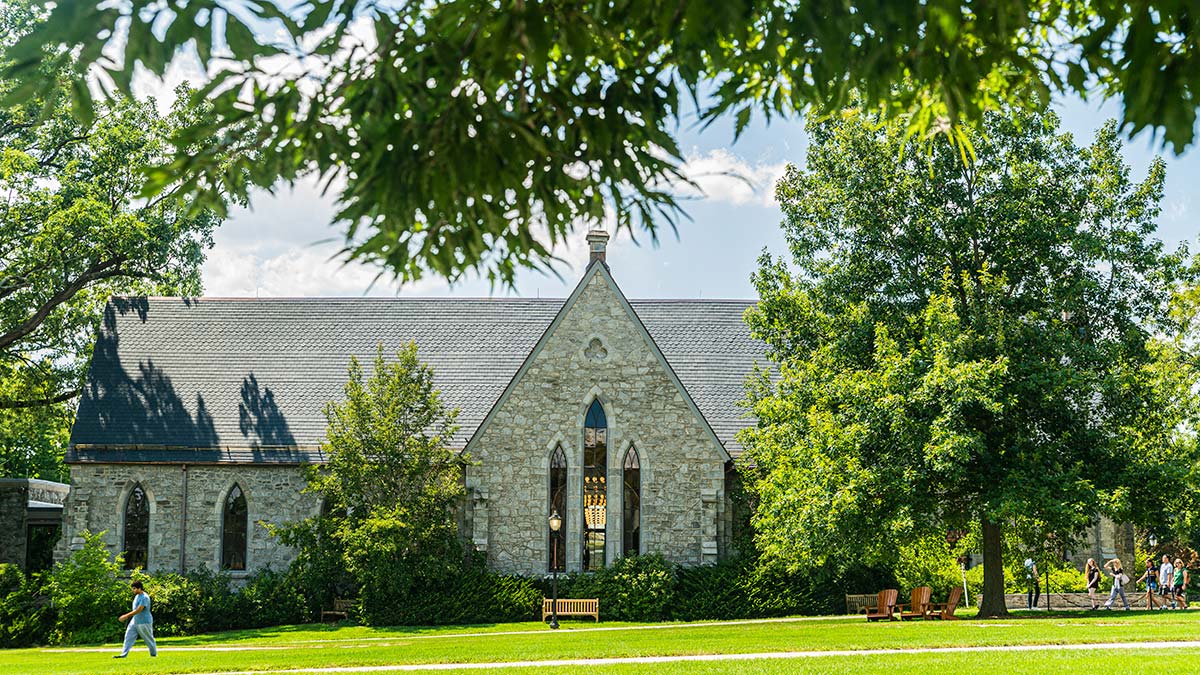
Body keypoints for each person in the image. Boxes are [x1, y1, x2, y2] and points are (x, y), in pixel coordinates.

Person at [114, 580, 156, 659]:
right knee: (128, 636)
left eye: (134, 588)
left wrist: (126, 616)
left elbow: (139, 610)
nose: (133, 590)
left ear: (139, 588)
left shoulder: (145, 597)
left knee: (148, 639)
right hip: (135, 620)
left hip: (144, 621)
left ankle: (153, 655)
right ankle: (123, 654)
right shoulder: (137, 596)